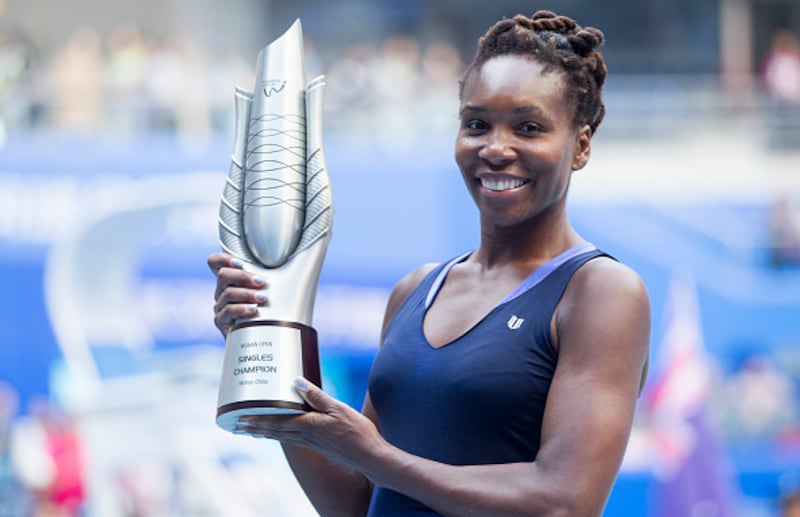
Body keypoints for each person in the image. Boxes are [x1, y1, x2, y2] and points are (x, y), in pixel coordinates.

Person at [208, 9, 650, 516]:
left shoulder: (601, 292)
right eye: (476, 124)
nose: (496, 148)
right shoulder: (415, 290)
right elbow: (357, 504)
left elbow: (563, 503)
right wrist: (263, 336)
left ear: (581, 146)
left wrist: (375, 456)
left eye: (528, 128)